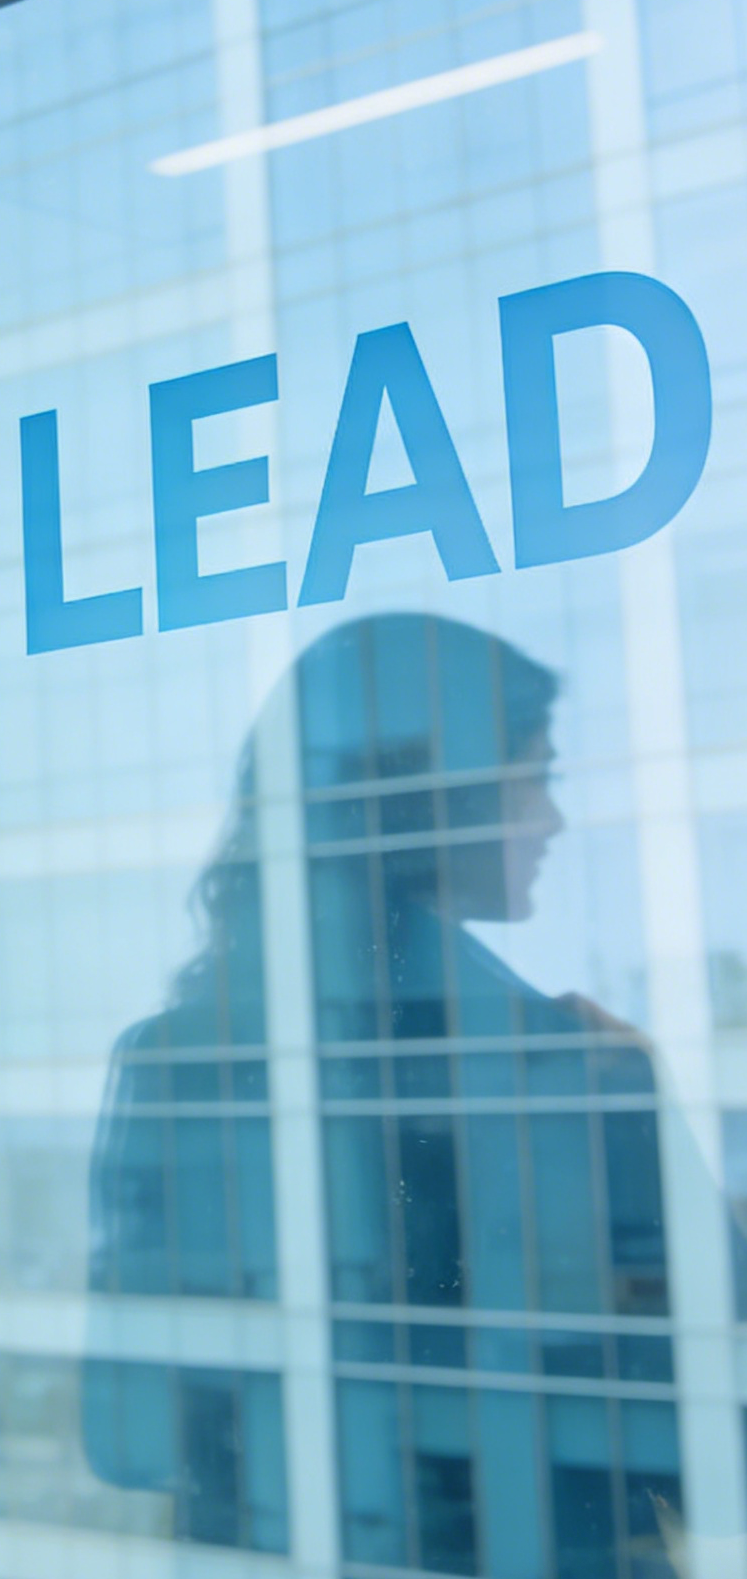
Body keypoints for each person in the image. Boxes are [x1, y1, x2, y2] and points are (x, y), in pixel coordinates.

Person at [84, 613, 681, 1574]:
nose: (551, 819)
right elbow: (700, 1428)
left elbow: (130, 1437)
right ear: (434, 801)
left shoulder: (173, 1061)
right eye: (535, 774)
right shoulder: (573, 1069)